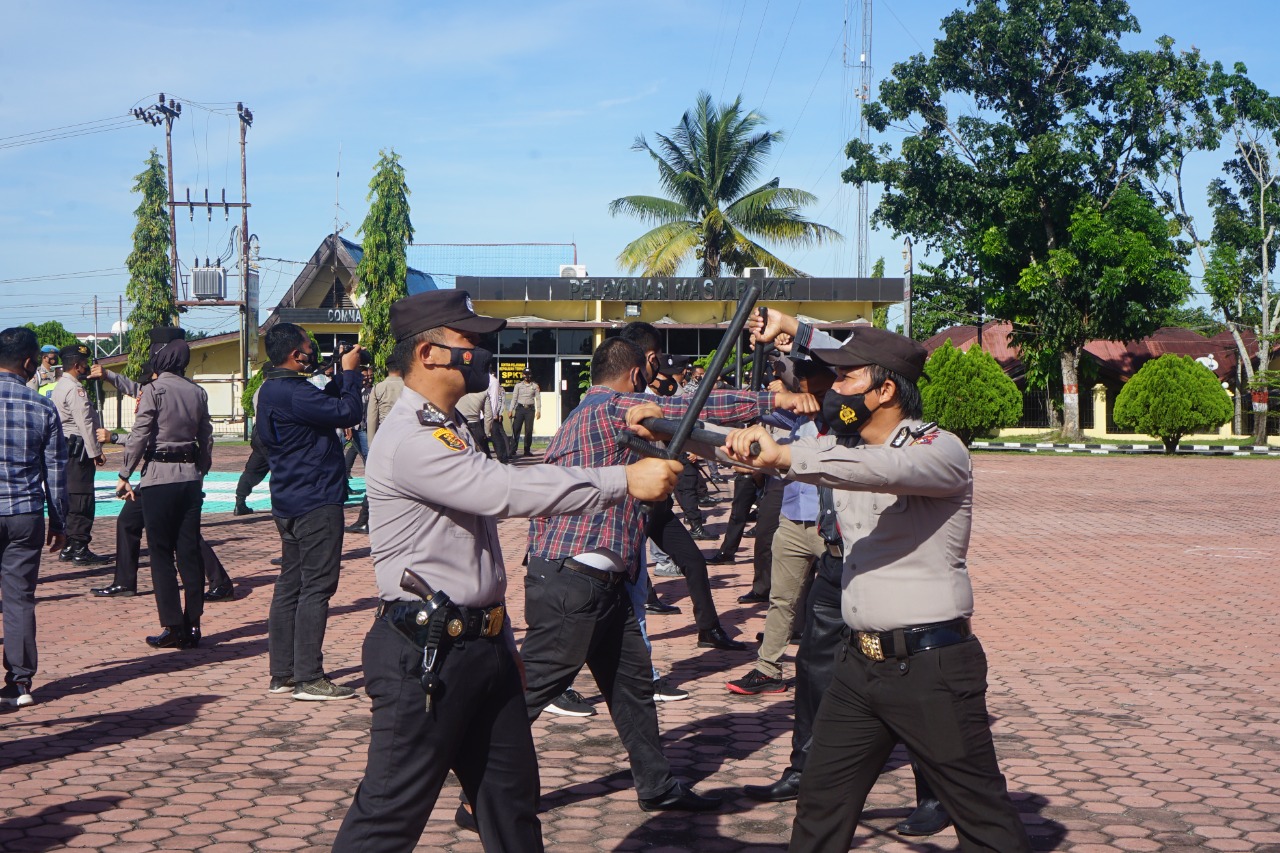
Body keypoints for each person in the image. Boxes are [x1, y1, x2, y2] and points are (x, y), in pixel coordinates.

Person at [331, 290, 681, 852]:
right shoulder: (410, 438)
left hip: (479, 647)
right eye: (468, 341)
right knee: (388, 818)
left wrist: (504, 643)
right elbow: (505, 490)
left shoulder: (448, 427)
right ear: (428, 353)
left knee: (512, 808)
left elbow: (478, 557)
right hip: (425, 655)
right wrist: (621, 481)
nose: (482, 352)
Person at [723, 310, 1030, 853]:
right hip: (858, 666)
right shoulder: (845, 447)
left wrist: (787, 457)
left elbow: (882, 471)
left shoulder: (941, 449)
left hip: (930, 667)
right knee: (820, 805)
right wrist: (681, 432)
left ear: (886, 389)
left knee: (984, 822)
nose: (833, 389)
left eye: (846, 379)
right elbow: (799, 455)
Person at [523, 335, 798, 815]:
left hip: (600, 582)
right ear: (635, 374)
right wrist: (772, 398)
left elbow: (684, 426)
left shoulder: (586, 410)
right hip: (575, 580)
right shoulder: (613, 407)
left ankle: (656, 785)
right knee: (528, 694)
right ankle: (478, 790)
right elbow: (690, 406)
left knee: (632, 690)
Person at [257, 323, 365, 701]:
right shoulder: (294, 392)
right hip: (316, 501)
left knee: (290, 586)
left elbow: (325, 409)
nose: (312, 351)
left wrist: (336, 374)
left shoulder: (272, 389)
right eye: (308, 346)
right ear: (294, 354)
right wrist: (350, 374)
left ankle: (282, 674)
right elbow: (347, 411)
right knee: (317, 587)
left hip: (288, 499)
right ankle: (309, 678)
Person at [89, 354, 233, 601]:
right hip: (157, 474)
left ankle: (220, 583)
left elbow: (148, 439)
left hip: (165, 473)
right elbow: (134, 390)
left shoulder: (165, 393)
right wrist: (108, 375)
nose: (145, 384)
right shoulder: (164, 390)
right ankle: (124, 582)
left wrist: (115, 442)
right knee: (129, 521)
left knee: (182, 534)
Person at [115, 330, 214, 649]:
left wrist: (124, 472)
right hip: (189, 478)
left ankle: (173, 626)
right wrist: (201, 469)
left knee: (160, 552)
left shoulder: (154, 390)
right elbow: (206, 436)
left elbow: (140, 434)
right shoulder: (197, 392)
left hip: (159, 477)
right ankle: (194, 624)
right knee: (188, 553)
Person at [0, 328, 68, 709]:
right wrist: (59, 523)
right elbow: (56, 472)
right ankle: (20, 682)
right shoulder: (42, 407)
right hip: (25, 513)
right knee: (19, 598)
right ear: (29, 363)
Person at [50, 344, 110, 566]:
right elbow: (85, 422)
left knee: (71, 497)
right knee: (82, 498)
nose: (86, 368)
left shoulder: (59, 386)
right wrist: (96, 452)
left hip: (66, 449)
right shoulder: (75, 389)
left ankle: (68, 546)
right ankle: (79, 548)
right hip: (79, 450)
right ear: (77, 365)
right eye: (84, 364)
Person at [509, 368, 540, 456]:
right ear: (522, 375)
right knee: (516, 429)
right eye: (525, 374)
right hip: (520, 409)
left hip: (530, 410)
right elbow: (514, 398)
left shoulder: (535, 386)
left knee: (529, 430)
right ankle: (513, 449)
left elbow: (538, 399)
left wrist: (539, 411)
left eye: (528, 374)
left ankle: (527, 450)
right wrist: (510, 410)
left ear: (531, 375)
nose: (527, 376)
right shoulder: (518, 385)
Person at [485, 362, 511, 463]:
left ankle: (504, 456)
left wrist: (498, 413)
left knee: (497, 435)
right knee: (496, 434)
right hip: (487, 413)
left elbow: (499, 400)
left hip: (494, 413)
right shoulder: (485, 382)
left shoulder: (496, 385)